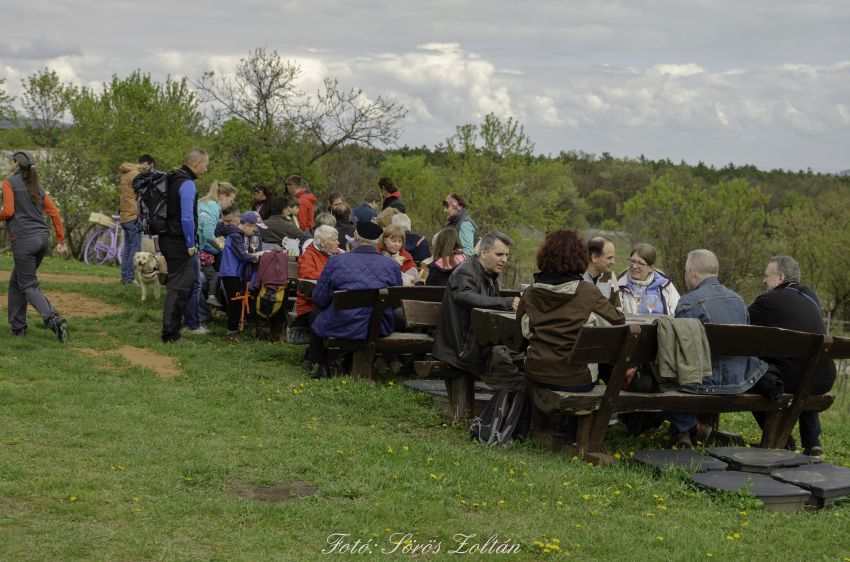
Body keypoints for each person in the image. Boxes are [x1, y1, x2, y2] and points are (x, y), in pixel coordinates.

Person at [518, 229, 626, 442]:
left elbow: (525, 332)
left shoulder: (530, 293)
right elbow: (617, 322)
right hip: (577, 380)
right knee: (586, 368)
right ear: (581, 258)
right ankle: (578, 436)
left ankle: (548, 429)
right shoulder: (588, 293)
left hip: (536, 373)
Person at [664, 249, 767, 448]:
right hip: (739, 381)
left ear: (692, 272)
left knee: (659, 375)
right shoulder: (739, 300)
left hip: (703, 383)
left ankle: (690, 428)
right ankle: (687, 431)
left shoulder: (687, 302)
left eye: (686, 272)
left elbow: (678, 352)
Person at [748, 256, 836, 456]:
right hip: (824, 377)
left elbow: (738, 326)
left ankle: (785, 442)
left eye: (766, 276)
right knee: (807, 371)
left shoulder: (768, 301)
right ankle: (813, 443)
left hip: (794, 380)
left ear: (780, 278)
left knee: (754, 378)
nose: (763, 281)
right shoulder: (810, 295)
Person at [432, 231, 525, 390]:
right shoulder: (466, 270)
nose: (504, 259)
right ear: (483, 252)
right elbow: (462, 296)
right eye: (499, 254)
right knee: (521, 385)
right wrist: (505, 303)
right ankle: (525, 409)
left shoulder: (490, 274)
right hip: (466, 347)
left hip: (486, 341)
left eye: (506, 255)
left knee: (529, 357)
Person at [309, 221, 402, 379]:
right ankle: (343, 360)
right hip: (378, 325)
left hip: (341, 322)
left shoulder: (336, 261)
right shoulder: (392, 265)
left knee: (318, 318)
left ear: (355, 237)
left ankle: (323, 367)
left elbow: (319, 299)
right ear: (379, 241)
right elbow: (396, 301)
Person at [1, 150, 70, 342]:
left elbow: (7, 211)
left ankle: (53, 318)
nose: (11, 164)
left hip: (23, 240)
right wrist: (60, 240)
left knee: (28, 284)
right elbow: (54, 213)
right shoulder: (36, 186)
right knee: (17, 281)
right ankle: (18, 327)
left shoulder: (8, 183)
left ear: (16, 164)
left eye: (12, 161)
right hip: (41, 240)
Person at [161, 147, 208, 344]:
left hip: (167, 237)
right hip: (179, 241)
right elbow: (187, 218)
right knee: (179, 288)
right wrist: (191, 244)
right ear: (197, 164)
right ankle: (170, 335)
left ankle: (173, 331)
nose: (206, 170)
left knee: (181, 287)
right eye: (205, 166)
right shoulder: (187, 184)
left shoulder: (173, 178)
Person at [297, 225, 342, 373]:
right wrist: (330, 275)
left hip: (333, 302)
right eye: (335, 240)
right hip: (310, 303)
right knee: (320, 316)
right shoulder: (308, 255)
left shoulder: (340, 254)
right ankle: (317, 359)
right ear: (323, 243)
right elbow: (306, 274)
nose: (338, 243)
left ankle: (319, 358)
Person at [217, 211, 264, 342]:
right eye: (254, 230)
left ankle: (234, 331)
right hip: (230, 274)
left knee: (236, 303)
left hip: (234, 273)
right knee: (234, 304)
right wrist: (257, 257)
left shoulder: (237, 235)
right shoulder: (235, 235)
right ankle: (231, 333)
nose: (254, 233)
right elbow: (242, 255)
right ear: (247, 225)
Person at [197, 181, 237, 310]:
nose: (230, 204)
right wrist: (222, 246)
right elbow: (208, 235)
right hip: (194, 249)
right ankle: (195, 321)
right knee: (195, 287)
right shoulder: (214, 207)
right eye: (230, 200)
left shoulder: (204, 202)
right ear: (223, 197)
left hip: (191, 245)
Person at [118, 154, 155, 286]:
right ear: (145, 164)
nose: (148, 171)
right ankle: (129, 279)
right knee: (134, 249)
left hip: (125, 215)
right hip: (134, 216)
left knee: (128, 248)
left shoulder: (126, 172)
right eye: (149, 168)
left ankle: (125, 278)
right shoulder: (135, 174)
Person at [617, 243, 679, 315]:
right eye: (632, 261)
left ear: (651, 268)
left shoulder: (665, 284)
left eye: (640, 263)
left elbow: (677, 313)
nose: (634, 266)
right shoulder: (620, 286)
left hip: (662, 325)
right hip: (633, 325)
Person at [583, 236, 621, 308]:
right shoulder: (576, 277)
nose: (613, 262)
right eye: (609, 258)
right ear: (594, 258)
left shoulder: (610, 276)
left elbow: (617, 308)